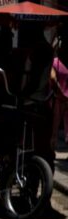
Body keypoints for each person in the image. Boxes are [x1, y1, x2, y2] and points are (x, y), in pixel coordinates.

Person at [20, 23, 56, 170]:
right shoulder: (49, 50)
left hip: (31, 102)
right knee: (42, 141)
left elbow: (30, 80)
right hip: (45, 102)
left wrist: (22, 94)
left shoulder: (35, 51)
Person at [51, 29, 68, 156]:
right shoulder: (59, 63)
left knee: (55, 129)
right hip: (64, 98)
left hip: (59, 98)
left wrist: (59, 91)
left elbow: (52, 78)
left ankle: (51, 150)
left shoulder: (55, 62)